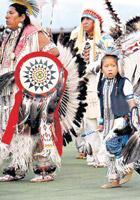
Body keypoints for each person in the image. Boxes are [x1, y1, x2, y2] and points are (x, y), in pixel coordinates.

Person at [0, 0, 60, 182]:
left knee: (32, 129)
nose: (6, 16)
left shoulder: (34, 33)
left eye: (11, 13)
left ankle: (45, 169)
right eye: (6, 13)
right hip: (9, 91)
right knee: (13, 128)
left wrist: (30, 70)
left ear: (22, 16)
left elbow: (54, 52)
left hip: (31, 92)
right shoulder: (8, 36)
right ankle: (18, 166)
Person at [70, 8, 110, 167]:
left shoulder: (105, 39)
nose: (84, 22)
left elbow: (106, 61)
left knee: (102, 120)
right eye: (82, 20)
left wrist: (86, 69)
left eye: (88, 19)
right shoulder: (82, 42)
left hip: (101, 85)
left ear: (96, 23)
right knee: (88, 121)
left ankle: (104, 155)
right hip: (85, 86)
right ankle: (92, 154)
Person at [97, 53, 138, 188]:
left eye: (113, 66)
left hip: (121, 120)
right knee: (109, 152)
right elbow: (102, 103)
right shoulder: (102, 83)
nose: (110, 69)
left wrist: (133, 120)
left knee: (111, 144)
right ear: (102, 68)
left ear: (118, 67)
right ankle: (114, 179)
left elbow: (131, 102)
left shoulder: (124, 82)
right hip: (108, 120)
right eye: (106, 66)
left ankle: (127, 166)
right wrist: (101, 121)